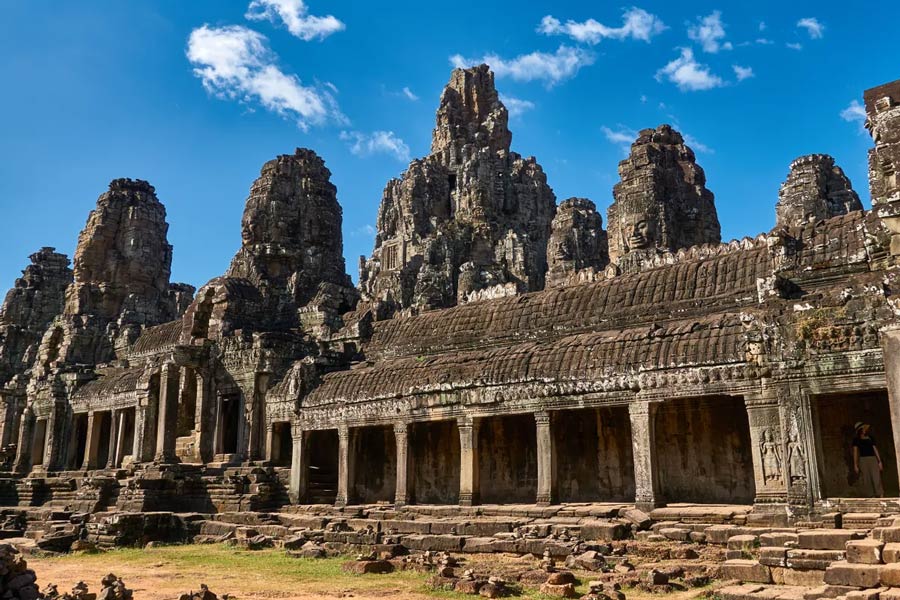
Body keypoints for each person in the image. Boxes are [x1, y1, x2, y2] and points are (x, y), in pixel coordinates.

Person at [852, 422, 884, 497]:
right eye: (863, 429)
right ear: (860, 430)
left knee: (876, 477)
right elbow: (855, 452)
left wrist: (879, 461)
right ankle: (871, 495)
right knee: (867, 478)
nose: (865, 430)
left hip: (873, 459)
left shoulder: (870, 438)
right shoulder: (856, 440)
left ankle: (880, 494)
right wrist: (855, 465)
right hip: (863, 460)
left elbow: (875, 449)